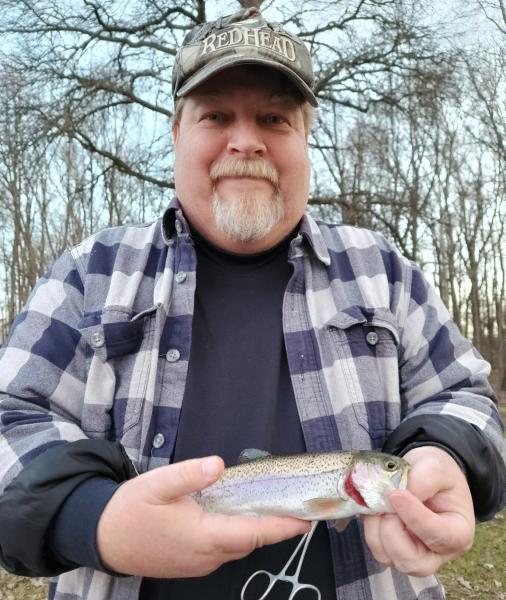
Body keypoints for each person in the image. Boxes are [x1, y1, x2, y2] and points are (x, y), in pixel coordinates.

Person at [0, 7, 504, 600]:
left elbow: (466, 396)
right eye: (216, 115)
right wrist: (96, 520)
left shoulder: (385, 273)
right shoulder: (90, 273)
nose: (246, 141)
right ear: (176, 133)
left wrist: (443, 456)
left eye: (273, 117)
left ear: (304, 138)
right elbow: (13, 415)